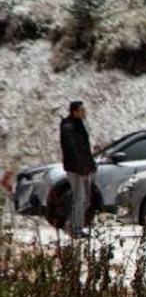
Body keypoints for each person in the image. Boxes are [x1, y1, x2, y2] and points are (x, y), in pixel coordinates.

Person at [60, 101, 97, 238]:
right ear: (74, 112)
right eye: (81, 110)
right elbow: (73, 151)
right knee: (79, 199)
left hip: (84, 168)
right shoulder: (68, 128)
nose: (84, 112)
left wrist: (90, 165)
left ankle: (71, 224)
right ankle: (76, 229)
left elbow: (84, 149)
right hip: (76, 170)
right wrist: (82, 168)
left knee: (85, 199)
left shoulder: (79, 125)